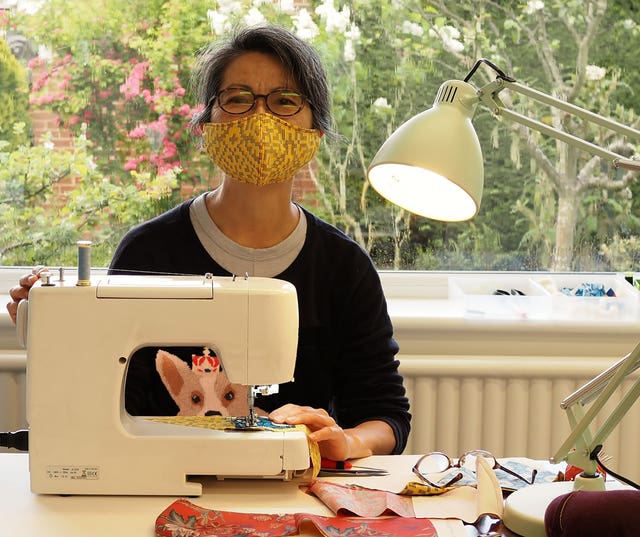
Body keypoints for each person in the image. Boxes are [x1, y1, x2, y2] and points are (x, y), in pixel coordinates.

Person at [7, 24, 411, 462]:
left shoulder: (342, 267)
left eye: (285, 101)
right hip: (164, 480)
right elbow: (113, 402)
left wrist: (350, 440)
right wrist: (59, 336)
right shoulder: (149, 253)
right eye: (238, 99)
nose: (261, 119)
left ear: (316, 128)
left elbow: (385, 415)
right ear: (206, 125)